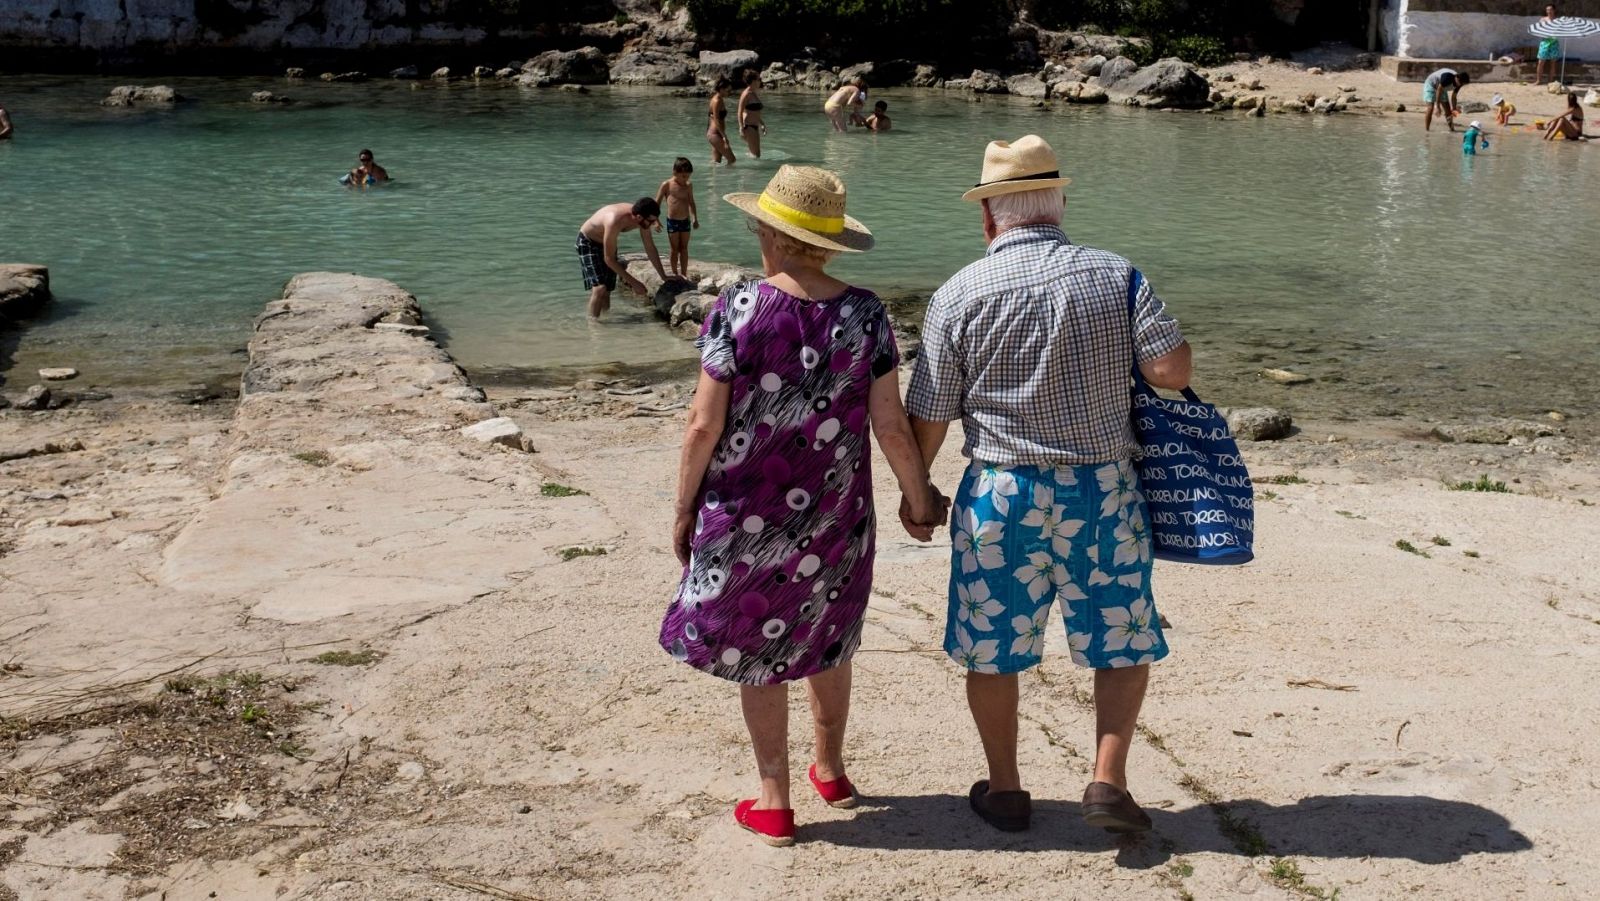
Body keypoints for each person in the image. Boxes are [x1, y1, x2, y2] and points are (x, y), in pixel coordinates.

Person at [904, 135, 1192, 835]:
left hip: (1001, 494)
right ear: (1059, 206)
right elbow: (1172, 371)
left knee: (992, 646)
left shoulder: (958, 294)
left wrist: (919, 499)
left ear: (990, 218)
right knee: (1120, 637)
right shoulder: (1116, 276)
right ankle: (1107, 779)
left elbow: (931, 415)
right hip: (1101, 491)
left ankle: (1005, 789)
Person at [660, 164, 946, 847]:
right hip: (834, 514)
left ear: (770, 233)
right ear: (829, 242)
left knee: (761, 651)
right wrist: (918, 500)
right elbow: (890, 424)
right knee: (827, 633)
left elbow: (703, 424)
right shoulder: (866, 312)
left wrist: (681, 506)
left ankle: (774, 799)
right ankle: (832, 770)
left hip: (743, 512)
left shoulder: (737, 307)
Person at [575, 198, 668, 320]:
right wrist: (634, 283)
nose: (652, 224)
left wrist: (663, 276)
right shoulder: (614, 220)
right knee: (599, 288)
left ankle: (605, 321)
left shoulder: (643, 219)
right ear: (639, 217)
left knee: (607, 290)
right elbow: (609, 259)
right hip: (588, 242)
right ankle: (593, 328)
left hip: (606, 242)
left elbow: (650, 248)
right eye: (651, 221)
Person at [655, 157, 700, 279]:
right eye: (683, 176)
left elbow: (691, 202)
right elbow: (656, 204)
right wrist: (656, 221)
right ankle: (675, 273)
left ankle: (684, 273)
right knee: (674, 249)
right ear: (675, 172)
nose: (686, 179)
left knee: (684, 248)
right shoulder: (667, 185)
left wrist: (694, 218)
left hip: (685, 220)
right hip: (672, 221)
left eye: (688, 176)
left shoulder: (688, 185)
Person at [708, 77, 737, 166]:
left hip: (715, 134)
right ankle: (728, 177)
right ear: (721, 89)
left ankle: (717, 179)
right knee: (732, 159)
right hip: (715, 134)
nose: (729, 92)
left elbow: (711, 117)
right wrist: (724, 136)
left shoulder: (718, 99)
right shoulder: (717, 101)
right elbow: (716, 119)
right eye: (728, 90)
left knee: (716, 162)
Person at [737, 69, 766, 159]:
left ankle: (748, 172)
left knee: (754, 154)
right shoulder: (746, 94)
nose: (760, 81)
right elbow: (740, 112)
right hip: (748, 126)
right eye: (758, 79)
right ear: (753, 81)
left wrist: (762, 123)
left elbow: (754, 112)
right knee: (756, 155)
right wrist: (741, 128)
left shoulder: (753, 93)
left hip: (754, 126)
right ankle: (750, 172)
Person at [1536, 5, 1561, 87]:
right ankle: (1538, 80)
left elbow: (1560, 31)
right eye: (1547, 10)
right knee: (1540, 62)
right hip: (1544, 42)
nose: (1549, 11)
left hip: (1554, 42)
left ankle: (1550, 81)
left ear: (1554, 10)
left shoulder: (1557, 20)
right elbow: (1538, 29)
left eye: (1550, 10)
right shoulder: (1542, 20)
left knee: (1553, 63)